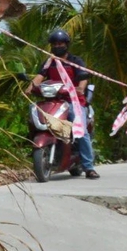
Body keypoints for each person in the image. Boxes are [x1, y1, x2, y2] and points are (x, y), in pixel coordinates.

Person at [34, 29, 99, 178]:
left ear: (66, 44)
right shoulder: (49, 63)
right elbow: (39, 77)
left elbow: (83, 77)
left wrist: (80, 88)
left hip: (74, 102)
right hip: (54, 101)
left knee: (80, 130)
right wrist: (29, 88)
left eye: (60, 43)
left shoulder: (76, 61)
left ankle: (89, 167)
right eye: (54, 44)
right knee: (36, 120)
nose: (57, 46)